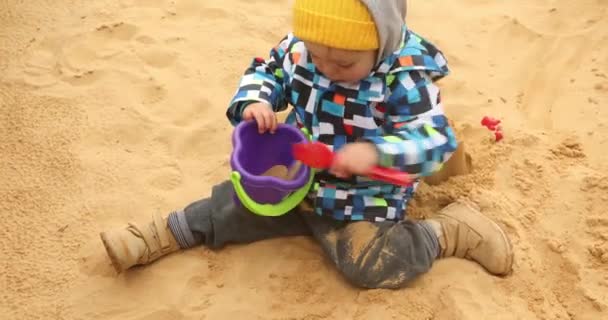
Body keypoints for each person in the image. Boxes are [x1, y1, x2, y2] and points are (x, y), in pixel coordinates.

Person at [99, 0, 513, 289]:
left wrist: (375, 152)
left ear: (382, 40)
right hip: (295, 176)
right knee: (233, 205)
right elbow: (270, 70)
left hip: (363, 198)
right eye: (317, 57)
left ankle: (450, 232)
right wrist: (256, 100)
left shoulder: (403, 79)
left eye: (345, 64)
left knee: (371, 266)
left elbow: (435, 138)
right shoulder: (304, 49)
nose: (327, 69)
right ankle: (160, 233)